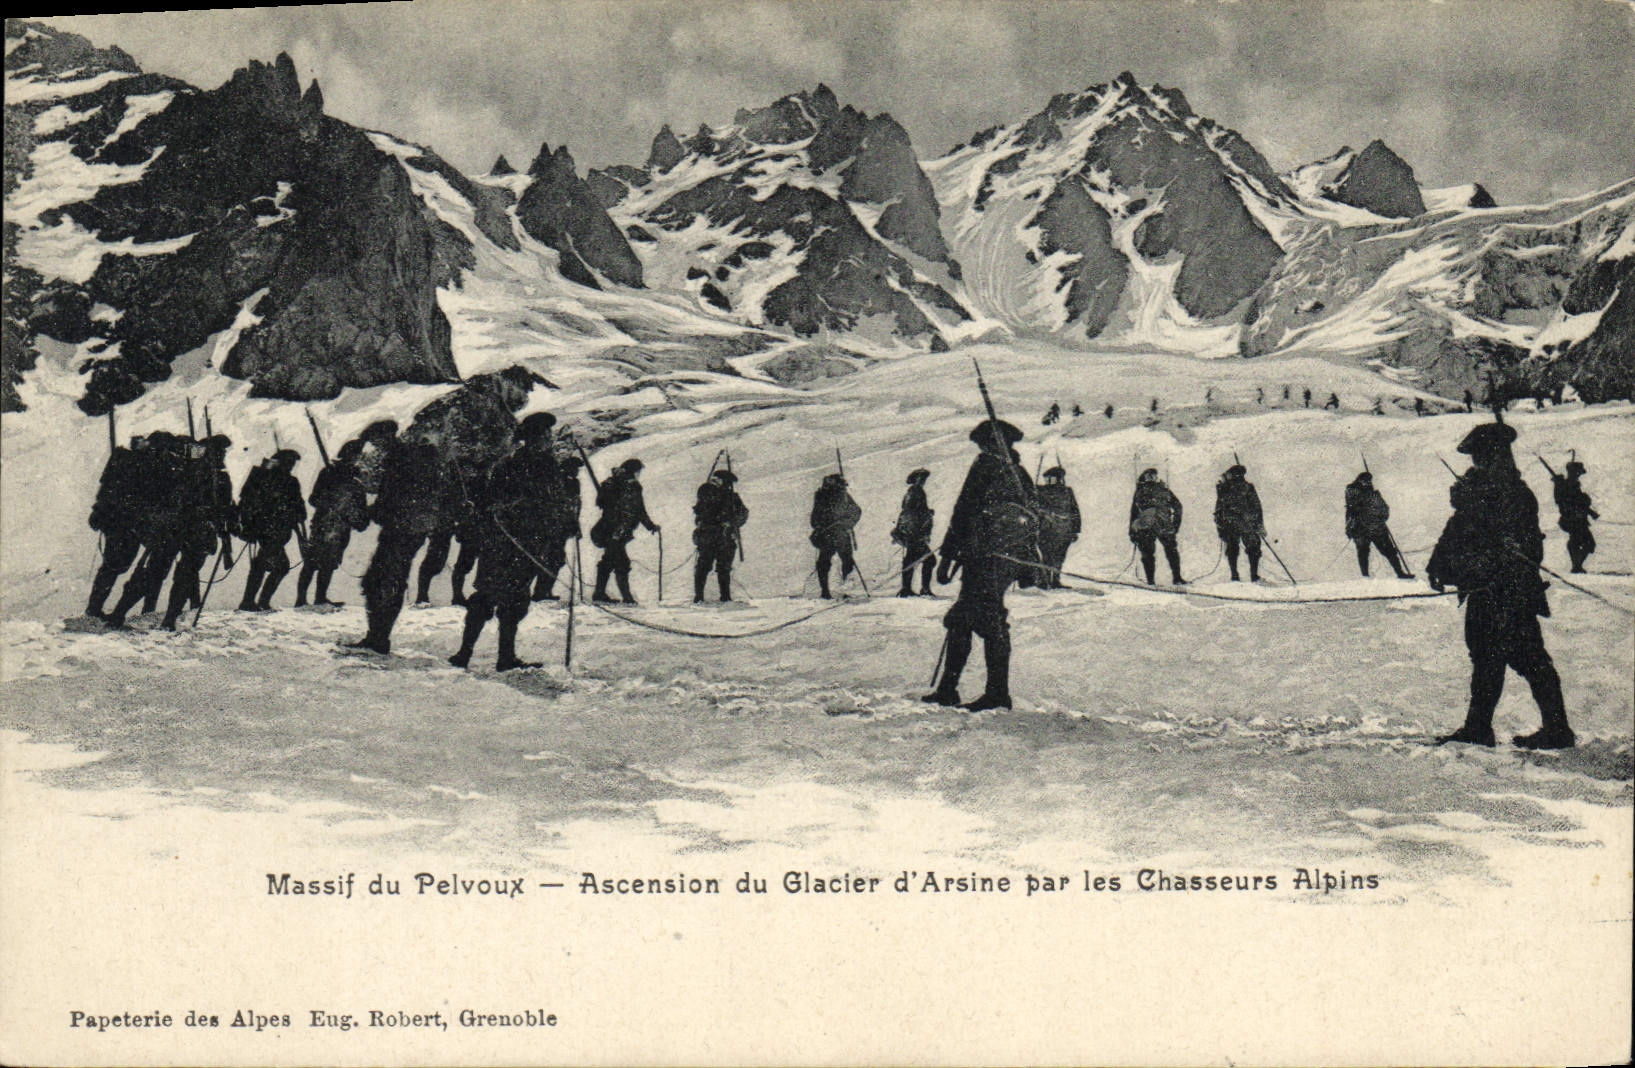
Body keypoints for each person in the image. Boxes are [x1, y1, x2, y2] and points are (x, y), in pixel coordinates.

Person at [1427, 421, 1573, 749]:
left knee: (1526, 658)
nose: (1478, 462)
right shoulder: (1475, 494)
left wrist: (1501, 558)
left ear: (1499, 455)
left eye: (1484, 455)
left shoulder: (1515, 495)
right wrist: (1438, 565)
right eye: (1477, 457)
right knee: (1488, 656)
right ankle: (1482, 728)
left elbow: (1530, 547)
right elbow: (1455, 531)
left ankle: (1554, 729)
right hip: (1484, 589)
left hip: (1510, 592)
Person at [923, 419, 1037, 712]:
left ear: (987, 443)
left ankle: (996, 694)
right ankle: (950, 689)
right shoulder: (1019, 472)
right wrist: (1026, 565)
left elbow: (963, 511)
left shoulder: (985, 466)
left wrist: (947, 557)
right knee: (966, 618)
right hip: (1007, 559)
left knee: (986, 619)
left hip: (982, 557)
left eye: (983, 444)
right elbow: (1032, 519)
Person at [449, 413, 559, 671]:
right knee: (494, 599)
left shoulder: (538, 466)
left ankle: (492, 656)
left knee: (507, 600)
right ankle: (471, 654)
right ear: (533, 438)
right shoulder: (519, 466)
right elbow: (494, 503)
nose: (548, 440)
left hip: (521, 544)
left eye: (548, 436)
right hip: (509, 544)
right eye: (544, 435)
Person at [349, 419, 451, 655]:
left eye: (376, 441)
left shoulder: (401, 458)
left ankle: (379, 639)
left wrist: (373, 512)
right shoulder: (405, 456)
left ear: (386, 438)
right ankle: (377, 636)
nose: (375, 447)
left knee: (384, 581)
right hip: (410, 527)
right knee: (385, 580)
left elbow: (397, 496)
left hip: (402, 528)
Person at [103, 432, 188, 627]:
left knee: (154, 570)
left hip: (163, 525)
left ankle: (127, 612)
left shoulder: (157, 466)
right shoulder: (157, 468)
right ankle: (125, 613)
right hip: (162, 526)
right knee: (154, 571)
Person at [159, 435, 236, 630]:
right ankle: (178, 612)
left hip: (200, 532)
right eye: (219, 452)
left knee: (186, 571)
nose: (222, 456)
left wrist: (226, 540)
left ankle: (175, 614)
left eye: (223, 452)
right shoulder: (191, 473)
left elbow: (225, 509)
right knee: (184, 572)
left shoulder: (219, 477)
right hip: (186, 529)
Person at [295, 440, 371, 608]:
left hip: (342, 529)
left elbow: (361, 512)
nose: (356, 459)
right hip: (324, 525)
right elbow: (314, 499)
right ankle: (300, 599)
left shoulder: (356, 484)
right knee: (312, 562)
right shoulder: (328, 474)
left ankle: (320, 598)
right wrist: (330, 500)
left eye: (357, 456)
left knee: (329, 564)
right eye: (354, 455)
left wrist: (357, 518)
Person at [85, 433, 153, 619]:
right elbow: (108, 493)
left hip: (124, 523)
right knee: (113, 565)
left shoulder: (128, 464)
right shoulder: (129, 464)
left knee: (118, 565)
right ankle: (94, 608)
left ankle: (95, 607)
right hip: (121, 522)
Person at [236, 449, 306, 612]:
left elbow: (299, 506)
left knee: (263, 564)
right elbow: (246, 501)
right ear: (279, 462)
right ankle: (256, 601)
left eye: (292, 464)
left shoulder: (290, 481)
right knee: (280, 566)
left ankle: (251, 601)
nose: (290, 466)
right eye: (288, 463)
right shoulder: (263, 477)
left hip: (278, 530)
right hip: (267, 529)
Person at [591, 458, 659, 604]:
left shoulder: (610, 482)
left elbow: (600, 502)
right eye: (638, 471)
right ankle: (626, 597)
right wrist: (650, 525)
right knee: (621, 563)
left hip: (606, 528)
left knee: (609, 560)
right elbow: (638, 510)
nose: (639, 474)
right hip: (619, 530)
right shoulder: (632, 486)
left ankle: (599, 593)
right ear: (633, 471)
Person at [692, 469, 748, 603]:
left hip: (723, 536)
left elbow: (743, 513)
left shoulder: (731, 496)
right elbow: (704, 511)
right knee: (705, 566)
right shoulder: (706, 491)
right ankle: (700, 596)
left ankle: (724, 596)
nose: (729, 486)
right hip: (710, 535)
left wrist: (732, 522)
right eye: (728, 483)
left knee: (722, 567)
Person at [1345, 471, 1414, 579]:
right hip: (1362, 529)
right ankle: (1366, 576)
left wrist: (1382, 517)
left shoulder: (1373, 494)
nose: (1367, 483)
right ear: (1359, 480)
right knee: (1364, 552)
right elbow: (1352, 510)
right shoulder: (1355, 492)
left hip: (1375, 528)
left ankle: (1399, 573)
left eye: (1368, 481)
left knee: (1389, 551)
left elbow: (1384, 509)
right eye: (1365, 481)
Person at [534, 455, 584, 601]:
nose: (577, 471)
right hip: (553, 526)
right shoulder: (559, 481)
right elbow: (560, 505)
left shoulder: (574, 483)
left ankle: (544, 591)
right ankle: (540, 592)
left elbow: (574, 507)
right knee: (552, 558)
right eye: (574, 468)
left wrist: (576, 526)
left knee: (555, 559)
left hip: (564, 527)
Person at [810, 473, 862, 599]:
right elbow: (814, 518)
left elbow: (856, 511)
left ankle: (839, 590)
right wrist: (820, 526)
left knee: (844, 561)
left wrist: (846, 523)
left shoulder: (842, 496)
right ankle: (826, 591)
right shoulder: (823, 497)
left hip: (839, 534)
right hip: (831, 535)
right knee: (827, 562)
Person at [1129, 468, 1184, 586]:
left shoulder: (1146, 490)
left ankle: (1175, 578)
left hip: (1155, 525)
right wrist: (1175, 525)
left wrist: (1175, 525)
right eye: (1150, 475)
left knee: (1168, 552)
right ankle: (1154, 581)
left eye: (1153, 475)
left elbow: (1178, 506)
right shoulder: (1151, 489)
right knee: (1153, 553)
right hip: (1153, 526)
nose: (1152, 477)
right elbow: (1134, 512)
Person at [1214, 463, 1263, 582]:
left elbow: (1219, 509)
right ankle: (1253, 576)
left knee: (1233, 550)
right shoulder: (1246, 487)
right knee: (1252, 549)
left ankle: (1235, 575)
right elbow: (1257, 507)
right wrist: (1258, 523)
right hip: (1246, 524)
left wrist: (1220, 526)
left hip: (1231, 524)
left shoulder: (1225, 488)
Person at [891, 468, 936, 597]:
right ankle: (922, 589)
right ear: (917, 479)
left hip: (912, 532)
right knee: (929, 560)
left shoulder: (914, 492)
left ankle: (907, 589)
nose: (924, 481)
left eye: (924, 479)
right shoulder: (916, 492)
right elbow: (912, 513)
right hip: (915, 533)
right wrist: (928, 514)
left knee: (911, 560)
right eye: (922, 479)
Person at [1036, 466, 1080, 588]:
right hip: (1046, 530)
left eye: (1052, 479)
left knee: (1059, 557)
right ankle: (1044, 581)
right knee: (1047, 556)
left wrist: (1075, 530)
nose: (1048, 481)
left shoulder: (1067, 492)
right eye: (1047, 479)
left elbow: (1074, 511)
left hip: (1065, 531)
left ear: (1059, 479)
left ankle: (1055, 580)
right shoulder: (1040, 491)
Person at [1551, 459, 1598, 574]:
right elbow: (1565, 502)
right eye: (1577, 472)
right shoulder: (1565, 485)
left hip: (1578, 519)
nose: (1578, 475)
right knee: (1583, 543)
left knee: (1583, 543)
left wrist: (1589, 510)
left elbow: (1580, 503)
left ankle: (1577, 565)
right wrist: (1557, 484)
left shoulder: (1572, 485)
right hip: (1572, 519)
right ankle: (1576, 566)